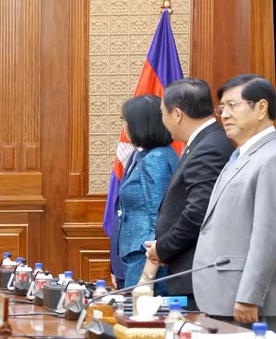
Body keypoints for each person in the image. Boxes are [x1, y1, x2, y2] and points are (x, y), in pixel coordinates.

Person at [142, 79, 234, 309]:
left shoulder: (208, 147)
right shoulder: (204, 141)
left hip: (197, 272)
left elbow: (197, 212)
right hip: (187, 270)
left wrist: (162, 248)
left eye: (163, 114)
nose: (163, 121)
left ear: (177, 114)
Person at [193, 74, 276, 325]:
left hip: (248, 302)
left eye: (233, 105)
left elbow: (267, 234)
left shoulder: (270, 157)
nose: (224, 115)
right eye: (222, 108)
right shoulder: (240, 155)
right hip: (221, 296)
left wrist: (250, 295)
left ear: (261, 108)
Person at [112, 95, 178, 290]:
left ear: (141, 123)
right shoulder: (142, 155)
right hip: (135, 256)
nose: (124, 126)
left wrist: (148, 273)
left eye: (126, 120)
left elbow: (158, 219)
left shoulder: (156, 159)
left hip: (147, 260)